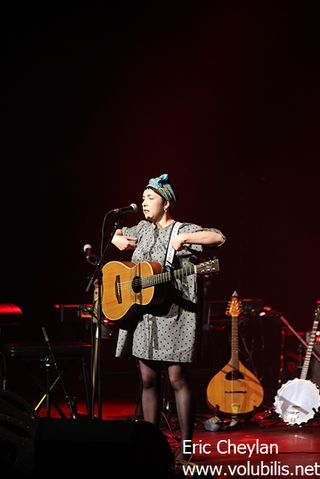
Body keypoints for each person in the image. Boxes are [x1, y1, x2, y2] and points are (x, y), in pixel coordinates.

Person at [111, 172, 226, 462]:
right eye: (143, 198)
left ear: (166, 203)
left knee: (177, 378)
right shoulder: (141, 228)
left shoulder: (181, 228)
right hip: (143, 314)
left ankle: (186, 449)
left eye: (150, 198)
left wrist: (186, 238)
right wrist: (116, 239)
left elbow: (219, 237)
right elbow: (118, 236)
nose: (144, 202)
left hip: (175, 312)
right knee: (148, 378)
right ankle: (151, 446)